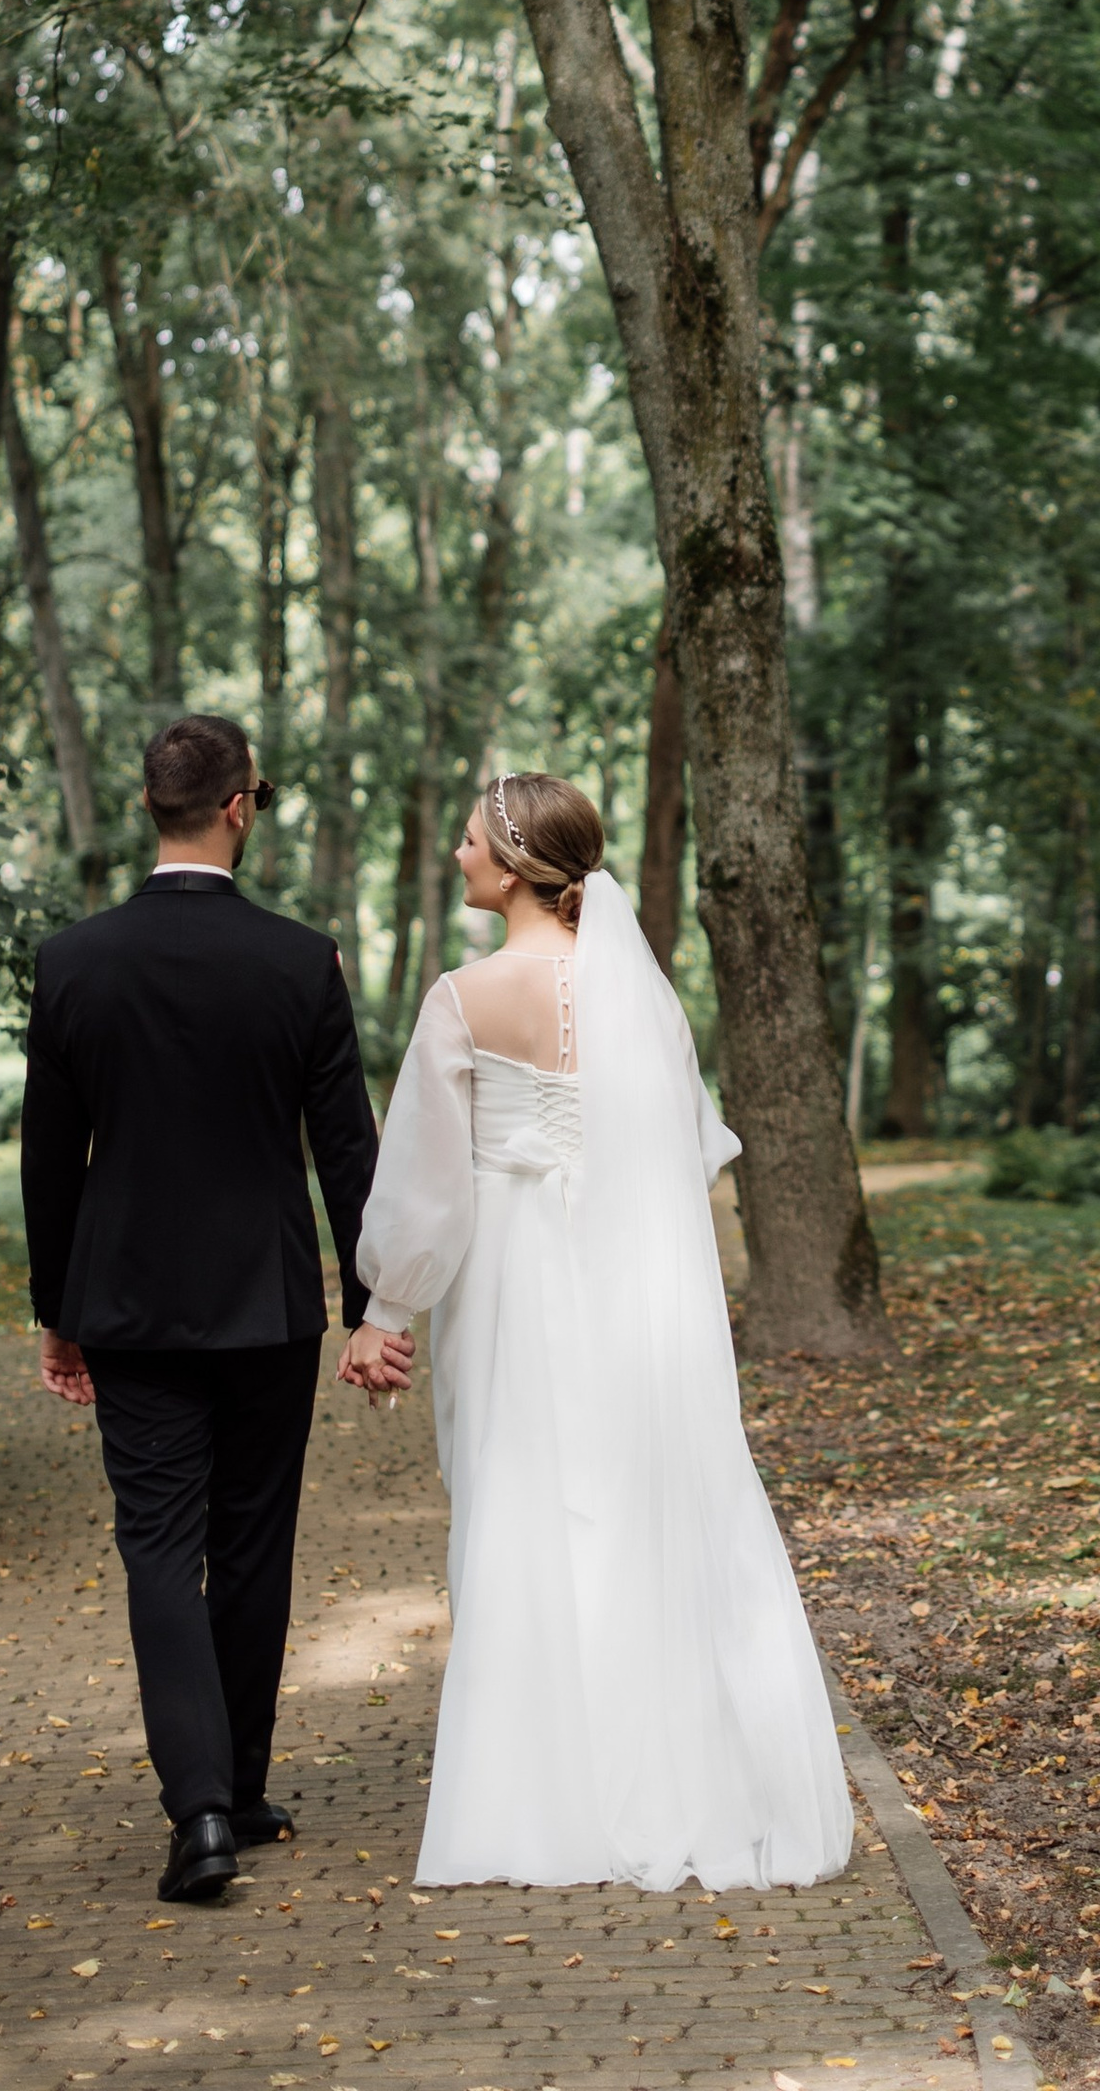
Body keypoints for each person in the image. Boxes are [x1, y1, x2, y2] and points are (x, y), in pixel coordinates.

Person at [344, 773, 854, 1893]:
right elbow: (690, 1152)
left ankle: (541, 1793)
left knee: (522, 1496)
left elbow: (427, 1189)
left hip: (510, 1281)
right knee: (637, 1504)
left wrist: (386, 1308)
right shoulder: (641, 995)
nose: (459, 853)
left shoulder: (464, 996)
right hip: (628, 1279)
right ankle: (677, 1770)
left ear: (515, 862)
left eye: (472, 838)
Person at [21, 714, 404, 1905]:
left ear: (154, 805)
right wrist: (369, 1300)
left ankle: (205, 1807)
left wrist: (55, 1305)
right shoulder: (302, 960)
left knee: (154, 1542)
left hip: (128, 1299)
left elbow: (49, 1155)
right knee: (249, 1542)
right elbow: (348, 1151)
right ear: (240, 805)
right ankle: (230, 1783)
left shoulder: (73, 959)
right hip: (265, 1302)